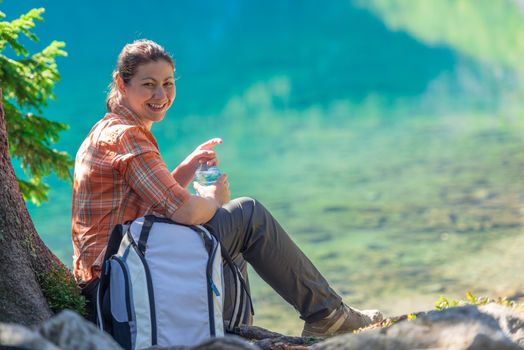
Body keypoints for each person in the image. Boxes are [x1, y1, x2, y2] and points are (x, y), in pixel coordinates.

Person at [71, 39, 383, 337]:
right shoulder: (126, 137)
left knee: (228, 231)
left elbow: (148, 202)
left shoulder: (107, 130)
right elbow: (185, 210)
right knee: (247, 215)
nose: (161, 94)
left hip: (112, 279)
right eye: (148, 84)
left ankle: (238, 328)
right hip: (121, 281)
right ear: (122, 84)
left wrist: (186, 167)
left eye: (168, 83)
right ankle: (327, 315)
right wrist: (212, 198)